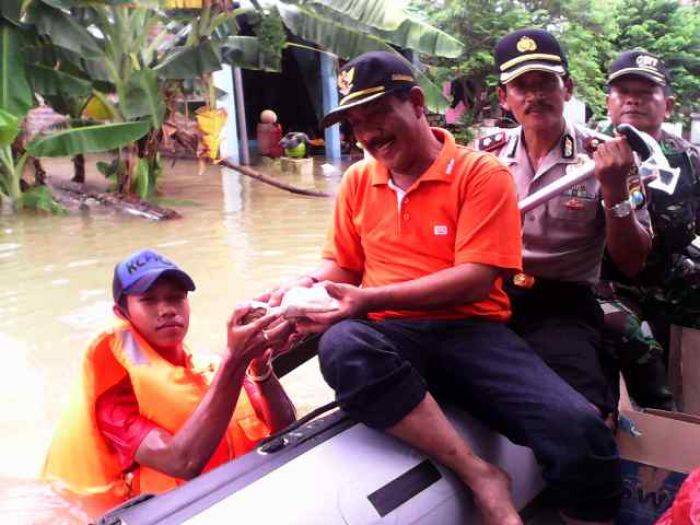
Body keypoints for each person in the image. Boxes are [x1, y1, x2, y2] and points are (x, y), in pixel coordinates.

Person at [262, 51, 622, 525]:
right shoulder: (356, 181)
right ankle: (479, 474)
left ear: (415, 102)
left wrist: (369, 299)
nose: (367, 134)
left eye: (377, 115)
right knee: (344, 344)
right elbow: (343, 267)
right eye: (355, 123)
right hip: (392, 336)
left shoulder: (481, 173)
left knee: (583, 435)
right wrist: (301, 285)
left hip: (473, 333)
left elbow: (477, 277)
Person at [476, 28, 655, 522]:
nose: (535, 95)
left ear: (568, 88)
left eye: (546, 82)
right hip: (487, 294)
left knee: (588, 419)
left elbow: (634, 258)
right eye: (522, 85)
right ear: (504, 97)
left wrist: (615, 188)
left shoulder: (609, 156)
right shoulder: (483, 154)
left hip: (563, 303)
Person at [43, 249, 296, 514]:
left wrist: (261, 366)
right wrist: (235, 359)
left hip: (245, 496)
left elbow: (286, 426)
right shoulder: (114, 396)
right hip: (179, 515)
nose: (166, 310)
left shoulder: (209, 368)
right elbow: (181, 462)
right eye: (149, 300)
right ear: (122, 312)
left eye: (176, 298)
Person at [597, 50, 700, 409]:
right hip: (609, 281)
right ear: (608, 101)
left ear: (667, 104)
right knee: (635, 339)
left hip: (672, 274)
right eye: (622, 90)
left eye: (645, 92)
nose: (632, 99)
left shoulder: (688, 157)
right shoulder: (586, 152)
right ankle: (658, 422)